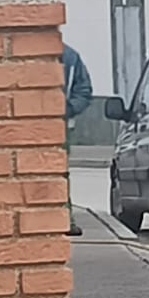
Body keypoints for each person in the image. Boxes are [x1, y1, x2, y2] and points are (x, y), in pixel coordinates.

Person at [62, 42, 93, 237]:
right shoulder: (71, 56)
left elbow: (84, 91)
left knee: (60, 172)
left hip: (61, 126)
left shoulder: (70, 57)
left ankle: (65, 218)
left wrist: (66, 109)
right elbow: (84, 91)